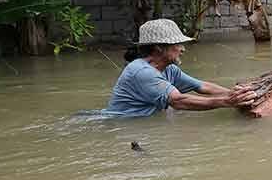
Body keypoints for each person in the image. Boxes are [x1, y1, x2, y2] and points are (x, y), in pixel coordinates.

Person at [104, 19, 256, 117]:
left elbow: (201, 86)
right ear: (159, 48)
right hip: (123, 125)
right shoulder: (142, 72)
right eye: (178, 44)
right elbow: (178, 101)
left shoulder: (169, 68)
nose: (183, 49)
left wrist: (234, 93)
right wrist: (227, 101)